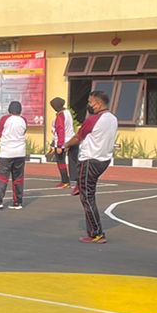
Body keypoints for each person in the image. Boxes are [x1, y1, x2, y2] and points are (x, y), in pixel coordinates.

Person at [64, 90, 118, 243]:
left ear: (98, 103)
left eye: (90, 102)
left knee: (87, 198)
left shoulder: (93, 120)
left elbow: (78, 137)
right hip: (104, 160)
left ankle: (96, 233)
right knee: (86, 187)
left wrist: (66, 145)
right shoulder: (113, 118)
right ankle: (80, 184)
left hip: (90, 160)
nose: (89, 105)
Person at [0, 101, 28, 212]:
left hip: (6, 153)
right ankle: (17, 202)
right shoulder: (23, 120)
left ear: (9, 109)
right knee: (18, 178)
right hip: (20, 152)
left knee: (2, 177)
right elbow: (24, 131)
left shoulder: (5, 119)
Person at [49, 97, 79, 190]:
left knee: (61, 162)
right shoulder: (67, 112)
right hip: (72, 139)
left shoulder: (60, 116)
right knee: (73, 161)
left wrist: (59, 145)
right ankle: (75, 181)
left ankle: (65, 181)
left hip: (63, 141)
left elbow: (60, 130)